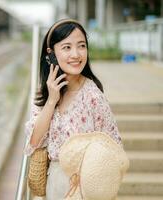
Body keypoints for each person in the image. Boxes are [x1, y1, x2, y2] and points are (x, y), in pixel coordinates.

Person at [24, 19, 123, 200]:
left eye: (81, 46)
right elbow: (34, 141)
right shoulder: (46, 93)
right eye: (67, 47)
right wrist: (52, 100)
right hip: (54, 183)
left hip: (86, 186)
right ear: (51, 54)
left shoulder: (93, 95)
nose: (76, 54)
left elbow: (113, 146)